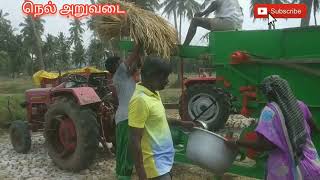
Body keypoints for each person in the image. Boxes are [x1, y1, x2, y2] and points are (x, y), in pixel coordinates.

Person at [226, 75, 320, 180]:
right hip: (312, 163)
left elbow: (265, 145)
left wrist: (236, 142)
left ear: (268, 93)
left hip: (286, 170)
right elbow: (314, 127)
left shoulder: (269, 112)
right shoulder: (300, 105)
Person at [128, 57, 195, 180]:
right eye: (164, 77)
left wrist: (182, 123)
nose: (167, 81)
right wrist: (141, 173)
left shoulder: (154, 93)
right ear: (151, 75)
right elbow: (134, 139)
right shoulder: (140, 100)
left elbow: (160, 119)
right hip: (154, 168)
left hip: (164, 163)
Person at [106, 43, 143, 180]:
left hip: (129, 116)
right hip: (125, 117)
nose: (123, 61)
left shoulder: (124, 75)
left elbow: (136, 62)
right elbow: (133, 56)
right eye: (120, 61)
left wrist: (141, 51)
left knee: (129, 148)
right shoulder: (119, 73)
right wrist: (139, 42)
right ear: (116, 66)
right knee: (125, 150)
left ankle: (123, 174)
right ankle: (122, 176)